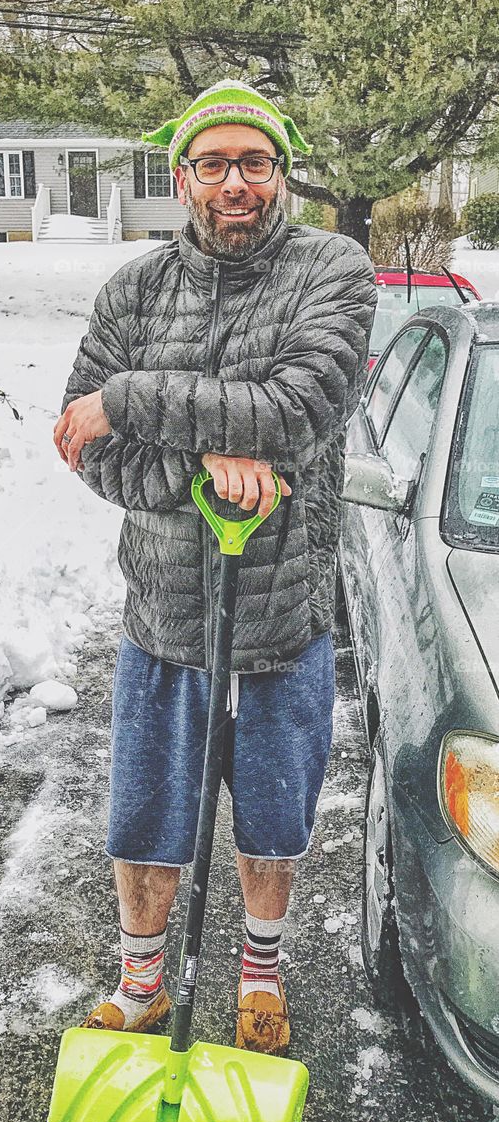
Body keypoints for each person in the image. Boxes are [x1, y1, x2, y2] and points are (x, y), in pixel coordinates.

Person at [53, 81, 377, 1054]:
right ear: (181, 174)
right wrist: (202, 456)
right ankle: (142, 982)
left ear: (278, 172)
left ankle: (260, 970)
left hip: (281, 615)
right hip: (164, 608)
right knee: (147, 809)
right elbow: (84, 442)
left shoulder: (332, 269)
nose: (234, 183)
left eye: (254, 162)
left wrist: (132, 396)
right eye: (212, 163)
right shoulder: (132, 291)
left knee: (273, 813)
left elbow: (298, 407)